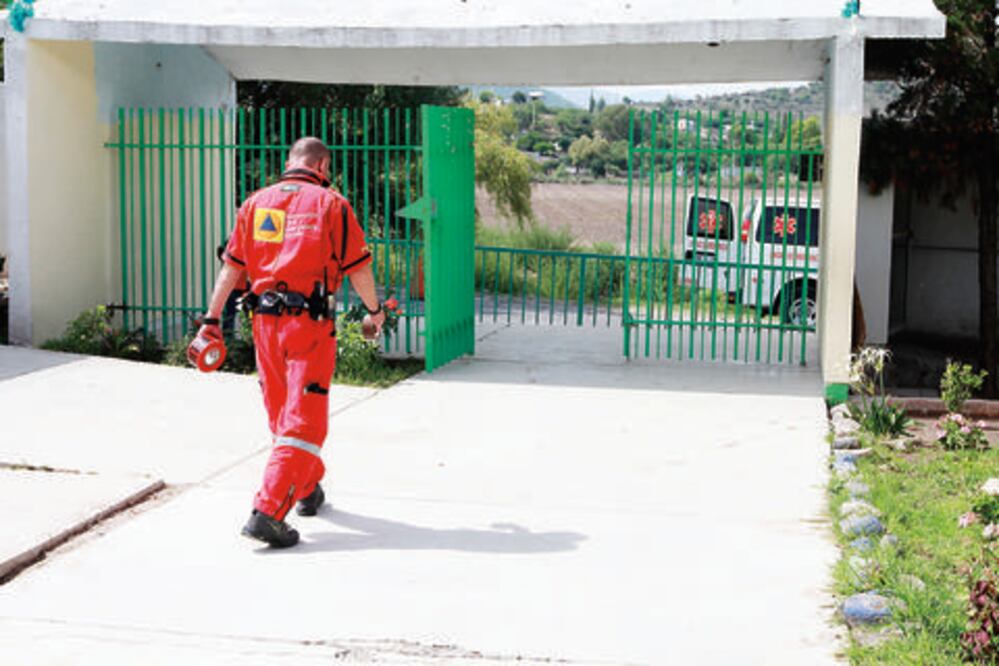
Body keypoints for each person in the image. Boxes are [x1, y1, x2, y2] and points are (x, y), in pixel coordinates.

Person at [196, 137, 386, 548]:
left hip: (263, 324)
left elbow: (230, 271)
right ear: (321, 165)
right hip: (309, 326)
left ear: (289, 162)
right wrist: (376, 311)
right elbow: (360, 269)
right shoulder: (332, 204)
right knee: (305, 422)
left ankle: (306, 487)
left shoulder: (254, 204)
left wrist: (211, 321)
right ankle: (266, 511)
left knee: (283, 413)